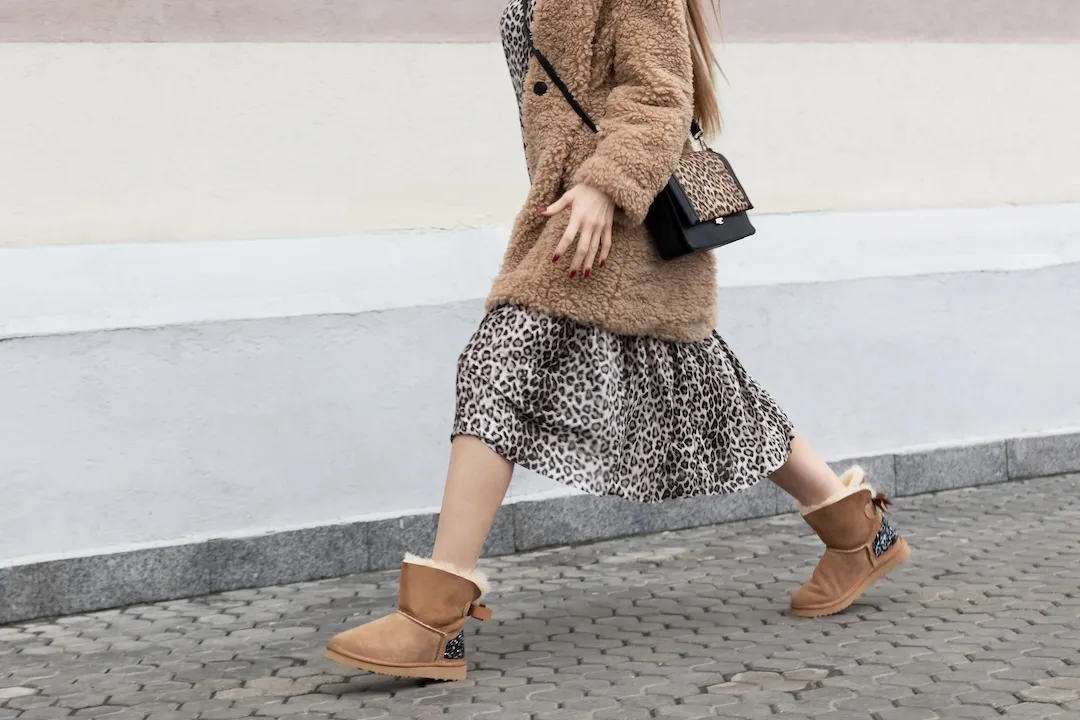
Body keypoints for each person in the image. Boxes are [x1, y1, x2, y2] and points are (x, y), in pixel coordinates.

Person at [324, 0, 910, 681]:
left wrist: (604, 189)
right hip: (586, 214)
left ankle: (431, 621)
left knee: (499, 367)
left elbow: (661, 93)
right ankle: (858, 533)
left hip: (609, 217)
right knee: (708, 389)